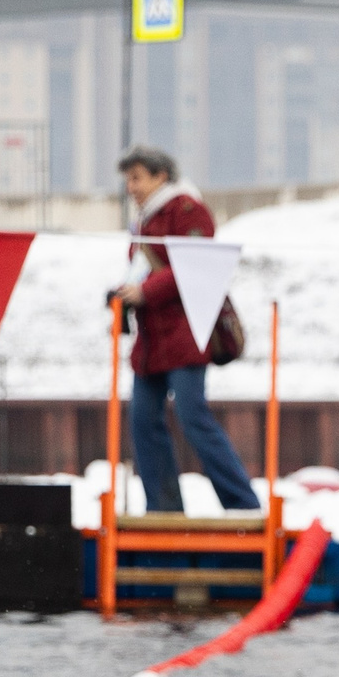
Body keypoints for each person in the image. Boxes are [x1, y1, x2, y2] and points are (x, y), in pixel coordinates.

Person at [109, 147, 262, 515]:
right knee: (143, 422)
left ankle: (242, 504)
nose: (130, 187)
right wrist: (126, 294)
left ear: (161, 176)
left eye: (137, 178)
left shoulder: (187, 210)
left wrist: (144, 292)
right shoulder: (146, 219)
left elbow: (198, 264)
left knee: (193, 418)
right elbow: (147, 271)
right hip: (153, 339)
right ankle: (163, 508)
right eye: (128, 179)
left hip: (186, 331)